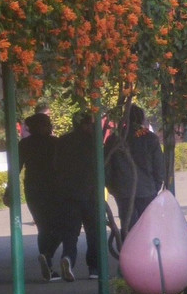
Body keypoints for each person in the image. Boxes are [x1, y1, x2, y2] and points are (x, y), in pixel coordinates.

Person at [19, 112, 75, 282]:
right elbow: (67, 167)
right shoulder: (56, 143)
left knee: (43, 227)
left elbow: (16, 167)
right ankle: (48, 255)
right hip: (55, 189)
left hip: (33, 189)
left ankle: (48, 264)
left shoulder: (24, 144)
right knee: (61, 227)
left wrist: (9, 191)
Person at [105, 104, 164, 236]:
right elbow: (159, 167)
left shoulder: (114, 138)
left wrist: (112, 188)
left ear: (124, 119)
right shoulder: (150, 138)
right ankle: (148, 254)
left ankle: (129, 254)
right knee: (148, 227)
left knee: (128, 227)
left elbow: (107, 167)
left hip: (123, 190)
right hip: (147, 189)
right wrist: (155, 186)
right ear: (142, 119)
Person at [54, 111, 101, 279]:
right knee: (93, 232)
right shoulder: (93, 142)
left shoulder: (63, 141)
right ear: (86, 125)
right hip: (90, 193)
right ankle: (94, 268)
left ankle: (68, 258)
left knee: (70, 233)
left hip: (68, 194)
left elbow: (56, 166)